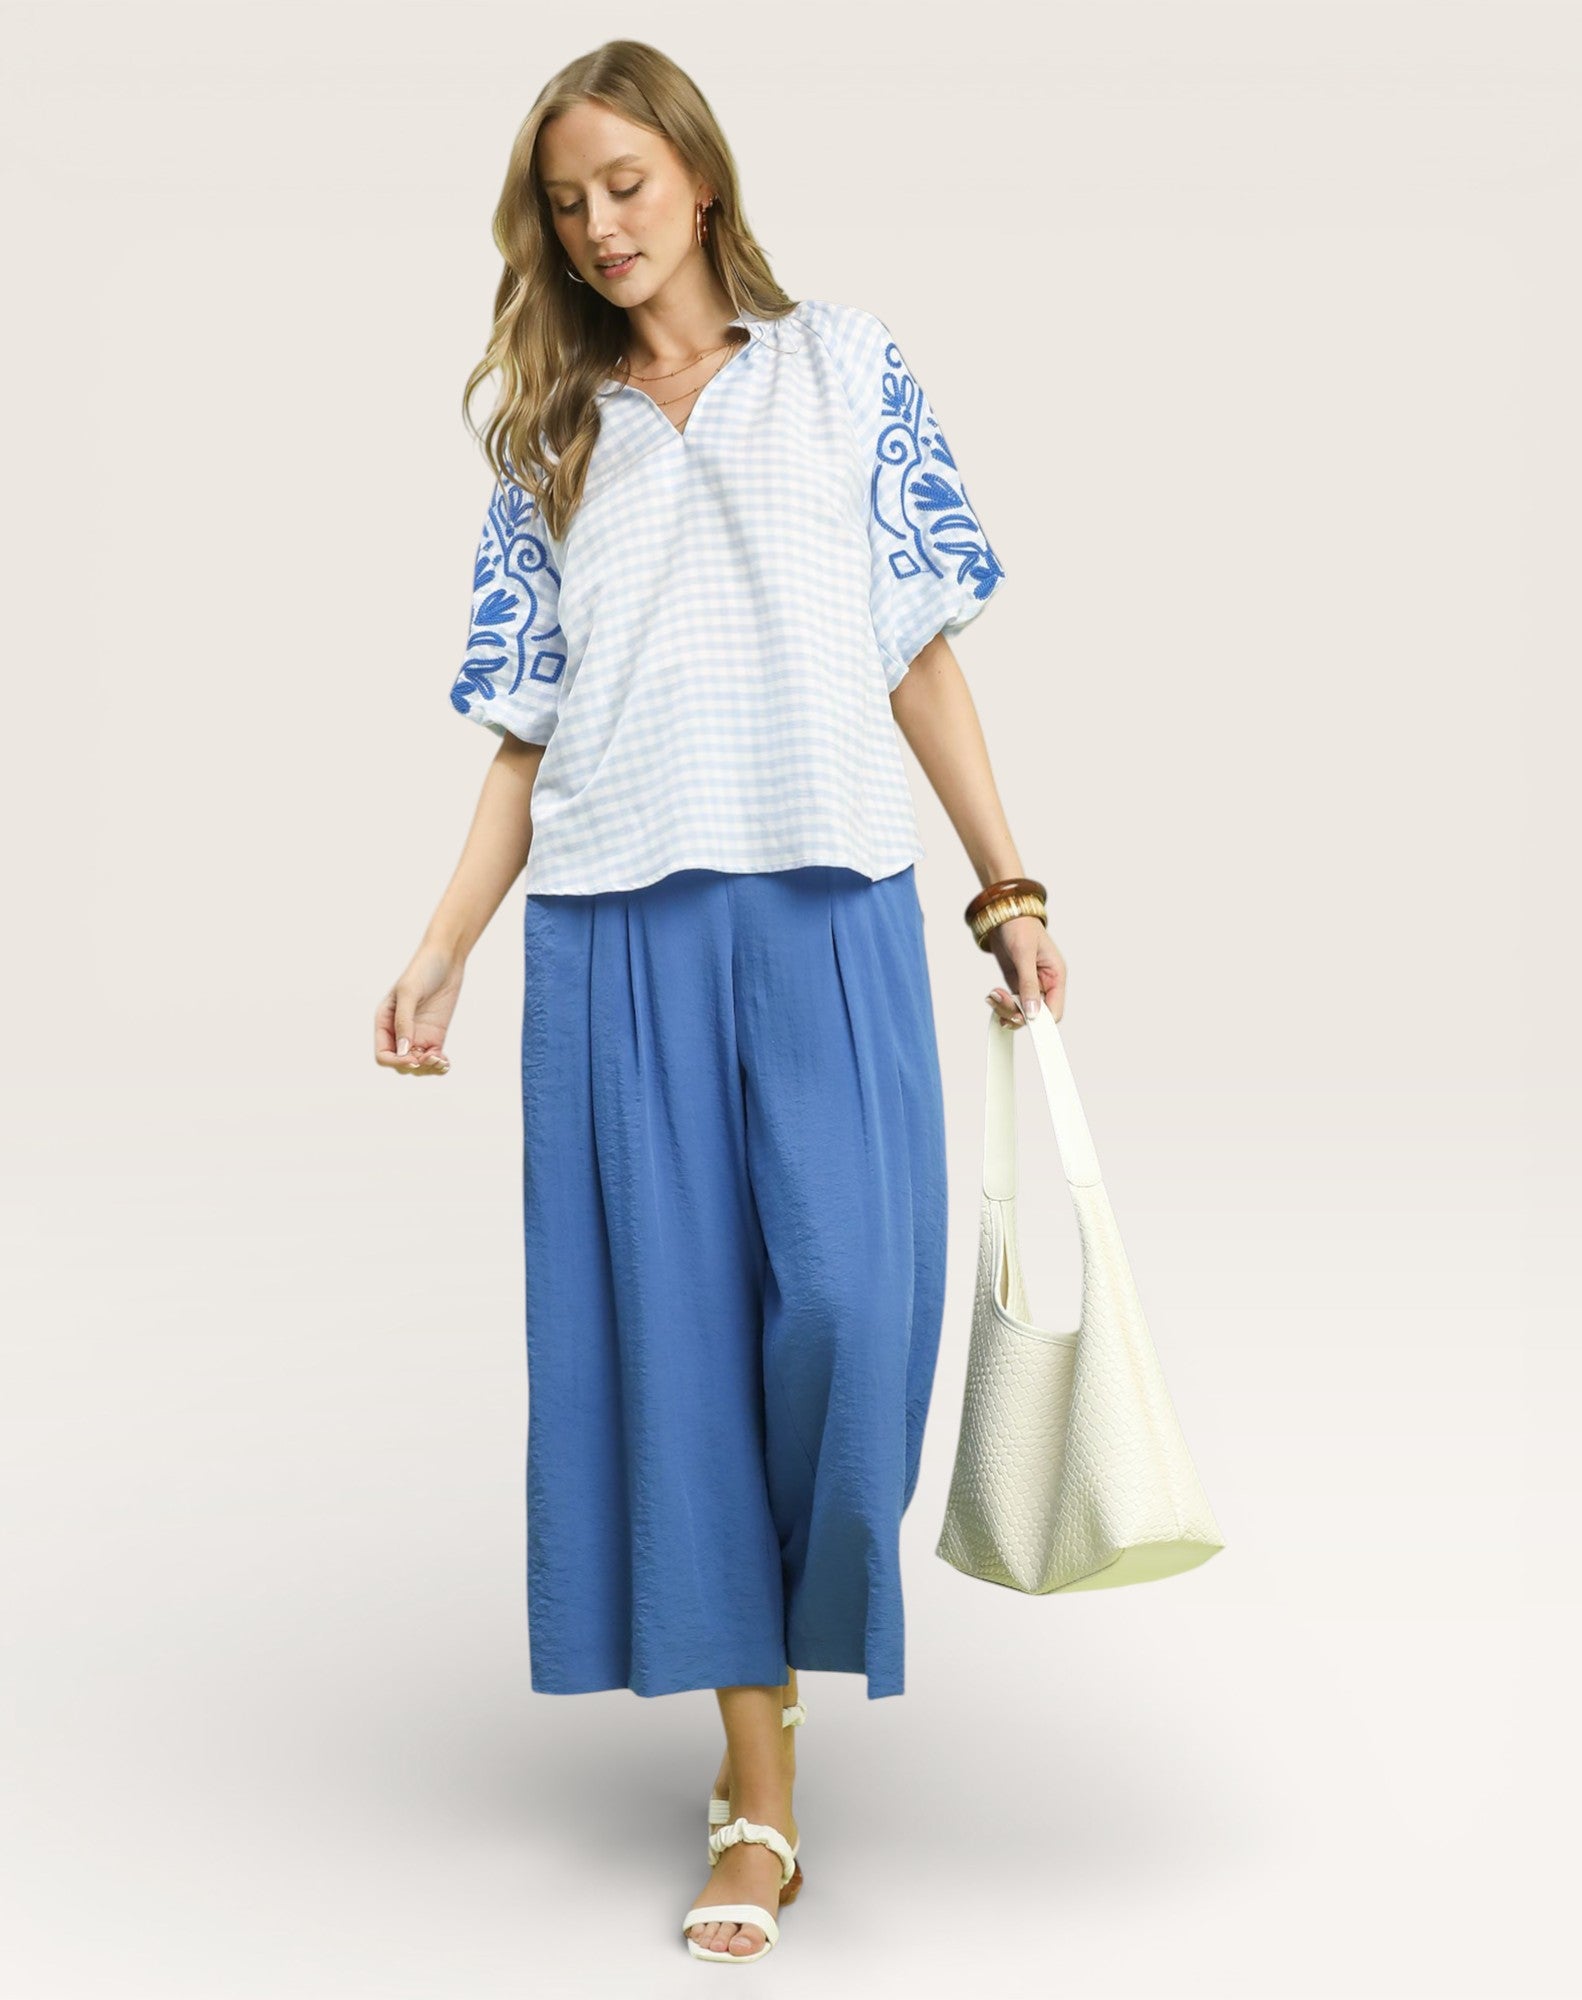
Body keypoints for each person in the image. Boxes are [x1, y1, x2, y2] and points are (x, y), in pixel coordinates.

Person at [373, 38, 1067, 1966]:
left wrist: (1006, 882)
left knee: (850, 1301)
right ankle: (755, 1795)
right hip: (613, 930)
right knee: (669, 1354)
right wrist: (442, 946)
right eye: (567, 200)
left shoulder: (846, 367)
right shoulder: (553, 436)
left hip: (833, 902)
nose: (600, 226)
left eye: (625, 183)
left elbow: (919, 646)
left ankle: (792, 1682)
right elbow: (525, 733)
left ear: (696, 171)